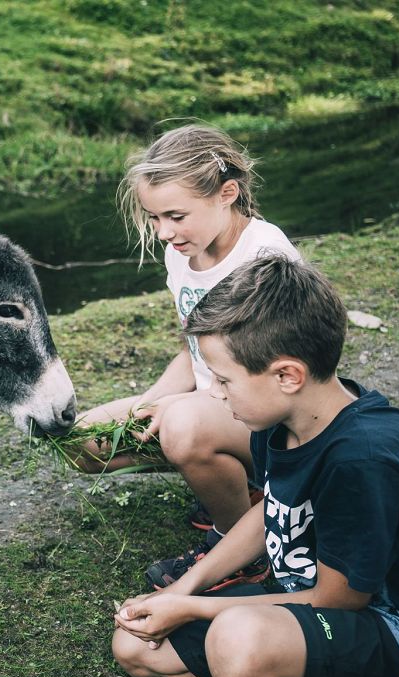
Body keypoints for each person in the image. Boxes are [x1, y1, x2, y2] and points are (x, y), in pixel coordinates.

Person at [111, 254, 399, 677]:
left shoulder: (365, 458)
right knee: (136, 649)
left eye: (222, 380)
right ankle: (299, 675)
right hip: (313, 597)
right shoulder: (279, 416)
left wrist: (195, 609)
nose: (213, 393)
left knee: (238, 642)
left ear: (287, 374)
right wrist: (184, 587)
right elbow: (271, 510)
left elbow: (338, 602)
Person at [75, 123, 301, 591]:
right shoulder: (185, 251)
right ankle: (237, 484)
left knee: (183, 427)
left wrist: (185, 410)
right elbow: (191, 347)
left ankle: (242, 546)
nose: (163, 233)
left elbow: (282, 380)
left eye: (175, 216)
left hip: (274, 423)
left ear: (227, 193)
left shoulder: (266, 259)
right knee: (86, 443)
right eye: (155, 218)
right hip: (217, 409)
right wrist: (152, 400)